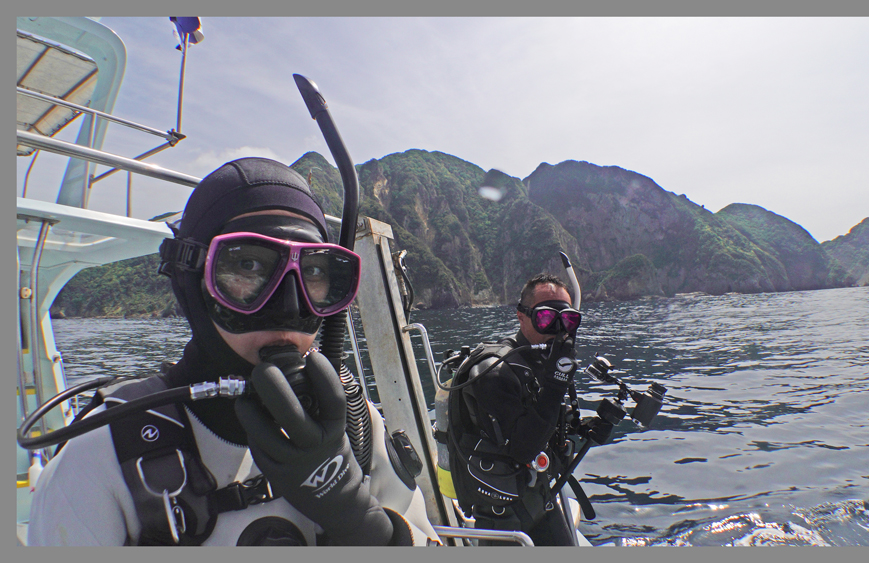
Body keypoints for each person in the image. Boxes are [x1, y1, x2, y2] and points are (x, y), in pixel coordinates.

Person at [28, 157, 439, 546]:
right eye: (248, 266)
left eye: (312, 270)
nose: (290, 307)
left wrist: (355, 515)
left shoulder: (357, 421)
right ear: (193, 283)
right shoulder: (101, 456)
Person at [447, 273, 583, 546]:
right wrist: (556, 384)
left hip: (539, 498)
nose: (557, 329)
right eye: (546, 318)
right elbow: (523, 449)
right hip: (503, 516)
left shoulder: (544, 361)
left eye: (566, 320)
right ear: (521, 317)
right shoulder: (494, 372)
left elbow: (550, 425)